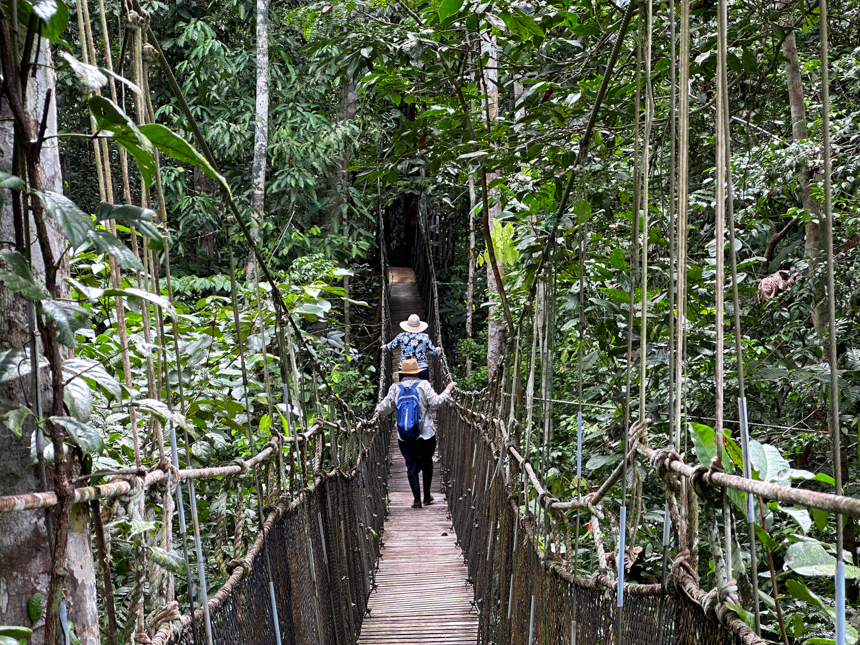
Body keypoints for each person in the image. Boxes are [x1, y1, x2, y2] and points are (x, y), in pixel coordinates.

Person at [375, 359, 456, 508]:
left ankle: (416, 500)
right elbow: (436, 402)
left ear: (403, 373)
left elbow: (384, 409)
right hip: (426, 434)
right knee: (427, 464)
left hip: (404, 436)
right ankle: (427, 496)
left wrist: (378, 409)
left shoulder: (394, 388)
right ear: (417, 372)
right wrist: (448, 389)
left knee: (411, 466)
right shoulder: (424, 385)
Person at [383, 314, 440, 380]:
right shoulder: (425, 337)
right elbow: (433, 352)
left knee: (404, 389)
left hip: (405, 369)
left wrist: (385, 346)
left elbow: (391, 346)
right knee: (424, 389)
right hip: (421, 368)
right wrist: (436, 349)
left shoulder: (401, 336)